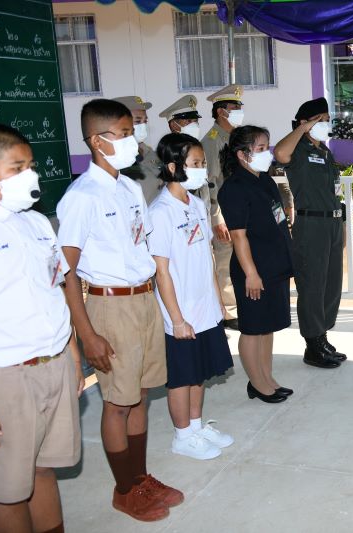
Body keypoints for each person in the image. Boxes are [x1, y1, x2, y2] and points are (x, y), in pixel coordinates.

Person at [57, 99, 182, 522]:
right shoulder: (81, 197)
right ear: (97, 141)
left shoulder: (129, 187)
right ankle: (125, 490)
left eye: (132, 132)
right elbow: (67, 273)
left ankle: (140, 477)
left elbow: (138, 244)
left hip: (143, 299)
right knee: (117, 402)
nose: (134, 140)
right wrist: (87, 334)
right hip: (110, 306)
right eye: (124, 133)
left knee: (140, 395)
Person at [0, 124, 83, 533]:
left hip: (54, 364)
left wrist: (72, 354)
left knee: (42, 470)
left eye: (30, 166)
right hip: (4, 377)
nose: (30, 175)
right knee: (6, 490)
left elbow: (56, 289)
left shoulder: (36, 222)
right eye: (16, 168)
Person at [148, 133, 235, 460]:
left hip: (204, 306)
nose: (202, 169)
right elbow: (162, 271)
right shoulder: (160, 212)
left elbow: (207, 257)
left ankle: (196, 427)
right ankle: (182, 436)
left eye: (203, 163)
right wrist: (177, 319)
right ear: (173, 167)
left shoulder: (197, 205)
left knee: (200, 372)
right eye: (195, 163)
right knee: (181, 377)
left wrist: (218, 302)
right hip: (180, 311)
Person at [218, 126, 294, 402]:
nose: (267, 153)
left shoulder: (265, 181)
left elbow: (278, 220)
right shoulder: (234, 188)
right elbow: (239, 236)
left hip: (274, 265)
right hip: (254, 269)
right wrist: (251, 273)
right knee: (253, 328)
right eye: (260, 148)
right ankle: (257, 383)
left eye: (266, 147)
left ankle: (266, 378)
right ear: (242, 154)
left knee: (268, 325)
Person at [274, 97, 347, 369]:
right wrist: (302, 129)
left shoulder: (325, 152)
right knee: (312, 285)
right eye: (321, 119)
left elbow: (334, 192)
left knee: (331, 285)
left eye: (327, 119)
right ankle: (312, 344)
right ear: (305, 123)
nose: (326, 124)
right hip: (311, 224)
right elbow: (279, 154)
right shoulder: (298, 149)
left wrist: (341, 224)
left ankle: (322, 337)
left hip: (332, 223)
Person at [201, 84, 245, 331]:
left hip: (240, 209)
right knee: (225, 262)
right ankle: (229, 312)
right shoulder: (212, 142)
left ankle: (241, 304)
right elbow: (210, 183)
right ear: (221, 112)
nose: (239, 111)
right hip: (224, 213)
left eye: (240, 106)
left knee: (241, 259)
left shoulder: (235, 138)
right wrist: (217, 218)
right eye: (234, 107)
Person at [115, 96, 163, 204]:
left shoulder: (150, 153)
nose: (143, 125)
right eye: (137, 121)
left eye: (145, 121)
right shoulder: (114, 160)